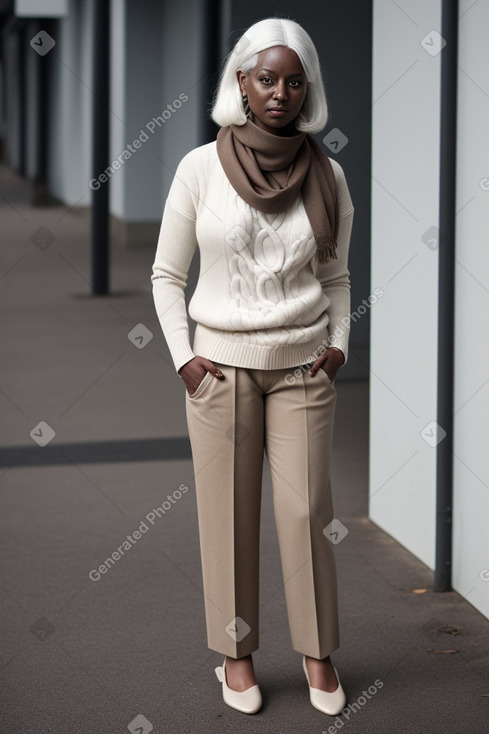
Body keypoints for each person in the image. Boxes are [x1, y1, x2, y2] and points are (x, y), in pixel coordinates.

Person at [151, 16, 354, 717]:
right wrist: (185, 360)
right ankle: (235, 658)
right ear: (240, 81)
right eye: (266, 79)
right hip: (218, 370)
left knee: (305, 513)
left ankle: (318, 654)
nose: (280, 93)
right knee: (228, 519)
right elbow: (165, 275)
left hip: (301, 367)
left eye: (293, 81)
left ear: (307, 90)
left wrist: (338, 348)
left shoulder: (327, 174)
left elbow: (336, 278)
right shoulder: (198, 169)